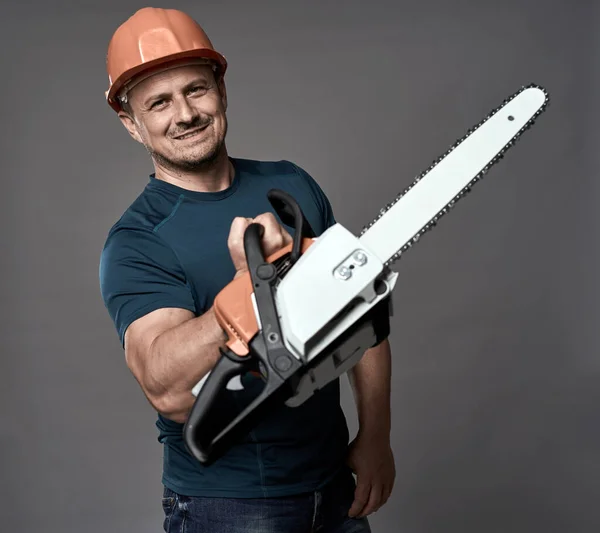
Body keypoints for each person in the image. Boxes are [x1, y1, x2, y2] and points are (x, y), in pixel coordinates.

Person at [99, 7, 395, 533]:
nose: (185, 113)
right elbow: (164, 387)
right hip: (230, 507)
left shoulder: (291, 184)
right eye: (159, 102)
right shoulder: (138, 241)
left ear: (221, 89)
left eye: (196, 89)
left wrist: (375, 437)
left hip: (334, 486)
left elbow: (361, 317)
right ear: (131, 123)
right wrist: (248, 294)